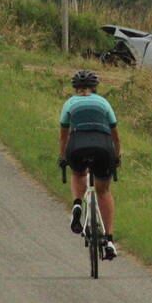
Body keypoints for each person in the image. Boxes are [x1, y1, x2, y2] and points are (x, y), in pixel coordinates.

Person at [57, 70, 121, 260]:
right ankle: (109, 240)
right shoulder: (103, 103)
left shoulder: (69, 103)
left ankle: (77, 204)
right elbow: (116, 136)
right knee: (103, 190)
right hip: (103, 147)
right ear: (95, 87)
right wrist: (116, 157)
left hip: (77, 146)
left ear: (75, 88)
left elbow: (63, 136)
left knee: (78, 174)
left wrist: (63, 156)